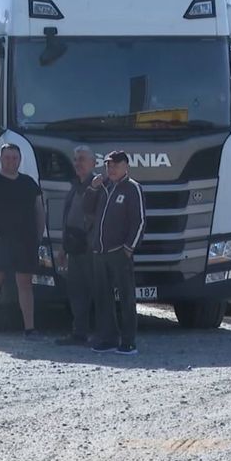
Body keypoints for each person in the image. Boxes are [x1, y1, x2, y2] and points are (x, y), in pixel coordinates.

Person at [0, 143, 46, 345]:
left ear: (20, 160)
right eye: (7, 157)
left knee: (25, 284)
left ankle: (29, 329)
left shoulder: (29, 183)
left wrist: (38, 236)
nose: (11, 161)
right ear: (0, 159)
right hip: (1, 241)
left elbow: (39, 210)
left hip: (25, 241)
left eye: (15, 158)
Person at [84, 150, 146, 356]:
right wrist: (92, 190)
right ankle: (107, 338)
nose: (111, 169)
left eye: (116, 165)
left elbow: (139, 221)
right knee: (103, 297)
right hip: (100, 252)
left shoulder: (132, 188)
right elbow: (88, 209)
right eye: (109, 165)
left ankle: (128, 341)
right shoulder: (104, 187)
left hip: (119, 253)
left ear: (126, 166)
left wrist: (129, 249)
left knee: (126, 298)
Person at [54, 145, 98, 347]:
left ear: (93, 163)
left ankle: (102, 335)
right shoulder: (74, 187)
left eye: (82, 159)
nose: (78, 163)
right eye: (75, 159)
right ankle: (79, 333)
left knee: (97, 292)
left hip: (92, 249)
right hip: (75, 249)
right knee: (76, 293)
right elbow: (68, 220)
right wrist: (63, 248)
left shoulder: (99, 187)